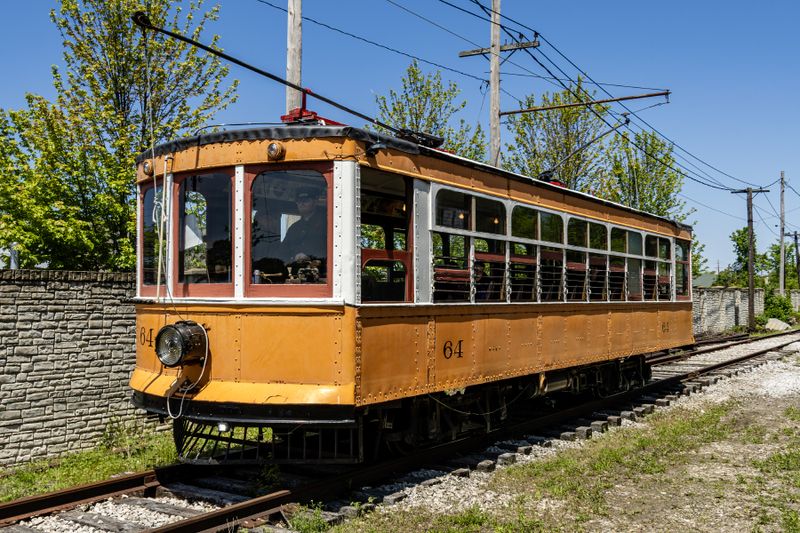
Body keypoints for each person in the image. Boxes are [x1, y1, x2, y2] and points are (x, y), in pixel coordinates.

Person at [281, 187, 327, 270]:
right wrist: (293, 257)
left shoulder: (325, 224)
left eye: (306, 201)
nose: (301, 204)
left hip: (321, 273)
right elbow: (283, 251)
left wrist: (309, 257)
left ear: (315, 202)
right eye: (299, 201)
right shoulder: (293, 228)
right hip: (295, 272)